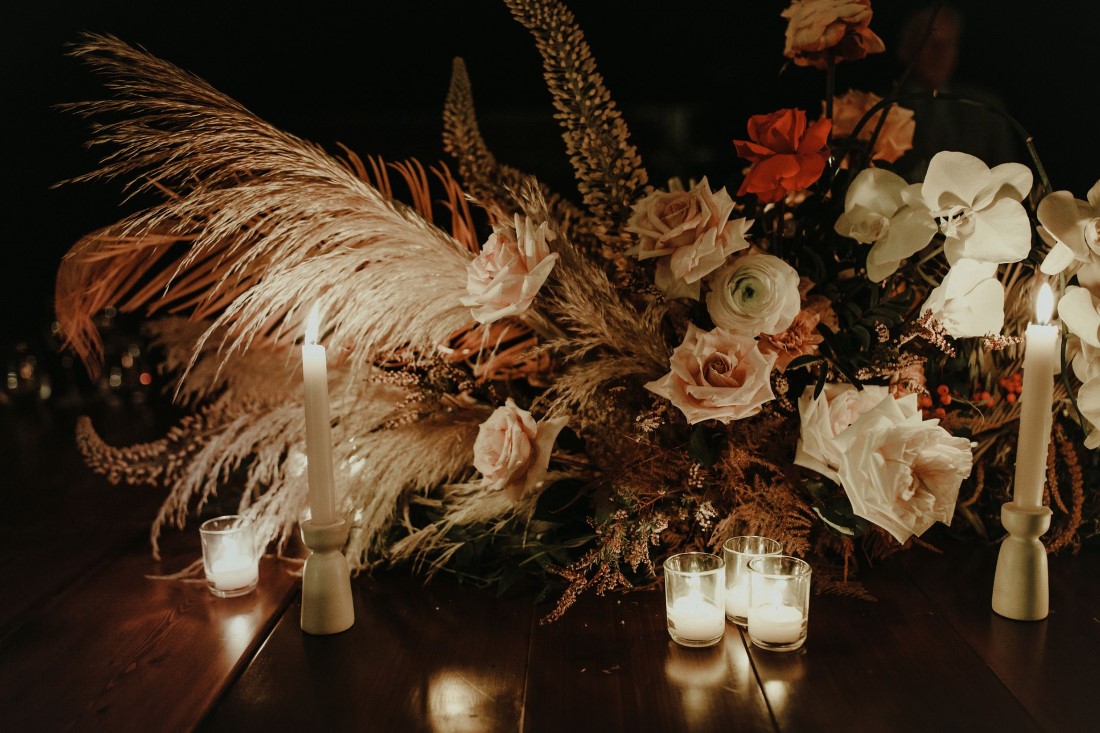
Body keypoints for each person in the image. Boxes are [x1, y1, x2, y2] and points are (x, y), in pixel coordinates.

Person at [893, 4, 1020, 179]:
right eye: (929, 41)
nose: (940, 53)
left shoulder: (985, 109)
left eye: (948, 44)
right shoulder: (882, 110)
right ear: (905, 48)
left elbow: (1008, 177)